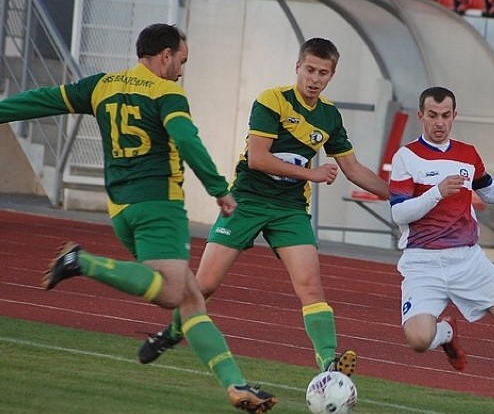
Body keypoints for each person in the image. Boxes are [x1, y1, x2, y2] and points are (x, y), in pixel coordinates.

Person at [0, 23, 276, 414]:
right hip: (160, 206)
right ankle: (81, 260)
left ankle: (234, 384)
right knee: (169, 294)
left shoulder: (102, 85)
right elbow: (187, 139)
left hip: (121, 211)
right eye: (181, 61)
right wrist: (218, 188)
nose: (181, 69)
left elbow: (42, 100)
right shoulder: (167, 93)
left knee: (190, 297)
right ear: (165, 56)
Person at [138, 37, 389, 377]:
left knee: (311, 286)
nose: (314, 79)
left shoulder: (329, 116)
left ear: (332, 75)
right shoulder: (273, 100)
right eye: (310, 70)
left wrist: (399, 196)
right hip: (247, 201)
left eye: (323, 73)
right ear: (297, 67)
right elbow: (258, 158)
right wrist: (310, 173)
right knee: (206, 284)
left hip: (289, 209)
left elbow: (354, 169)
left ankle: (329, 363)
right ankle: (170, 333)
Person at [389, 86, 494, 414]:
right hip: (422, 262)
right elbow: (399, 214)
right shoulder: (407, 157)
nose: (439, 123)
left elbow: (489, 191)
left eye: (446, 116)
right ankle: (445, 332)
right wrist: (436, 192)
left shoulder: (467, 153)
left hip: (467, 258)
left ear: (454, 116)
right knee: (418, 339)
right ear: (421, 116)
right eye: (432, 115)